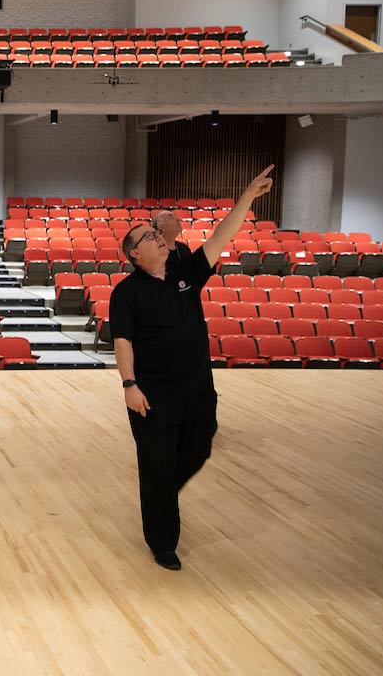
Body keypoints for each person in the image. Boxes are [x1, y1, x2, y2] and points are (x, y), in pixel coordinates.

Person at [111, 166, 275, 571]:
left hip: (198, 389)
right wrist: (129, 384)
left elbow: (221, 237)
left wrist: (248, 197)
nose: (158, 237)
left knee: (199, 449)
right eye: (148, 236)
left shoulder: (186, 273)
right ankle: (163, 542)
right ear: (135, 253)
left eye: (156, 233)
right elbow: (123, 341)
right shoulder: (127, 293)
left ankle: (164, 492)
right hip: (153, 397)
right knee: (156, 467)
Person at [151, 209, 191, 274]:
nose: (178, 219)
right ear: (162, 228)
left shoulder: (184, 249)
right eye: (171, 217)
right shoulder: (151, 251)